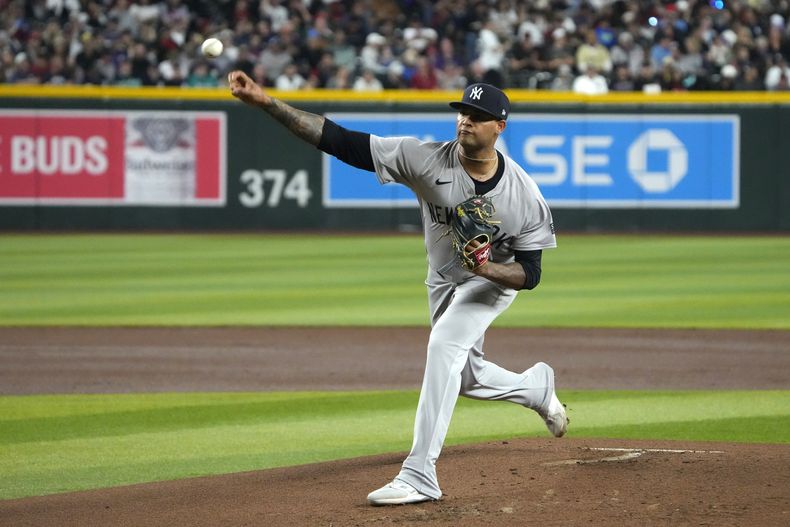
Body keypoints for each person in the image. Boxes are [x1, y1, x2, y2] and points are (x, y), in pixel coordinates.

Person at [228, 71, 569, 506]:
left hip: (491, 282)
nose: (466, 120)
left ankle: (420, 473)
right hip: (444, 279)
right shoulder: (423, 157)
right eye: (463, 111)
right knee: (465, 375)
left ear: (499, 126)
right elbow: (340, 141)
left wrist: (486, 270)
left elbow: (531, 273)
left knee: (444, 343)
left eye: (478, 116)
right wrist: (267, 102)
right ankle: (535, 389)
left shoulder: (523, 196)